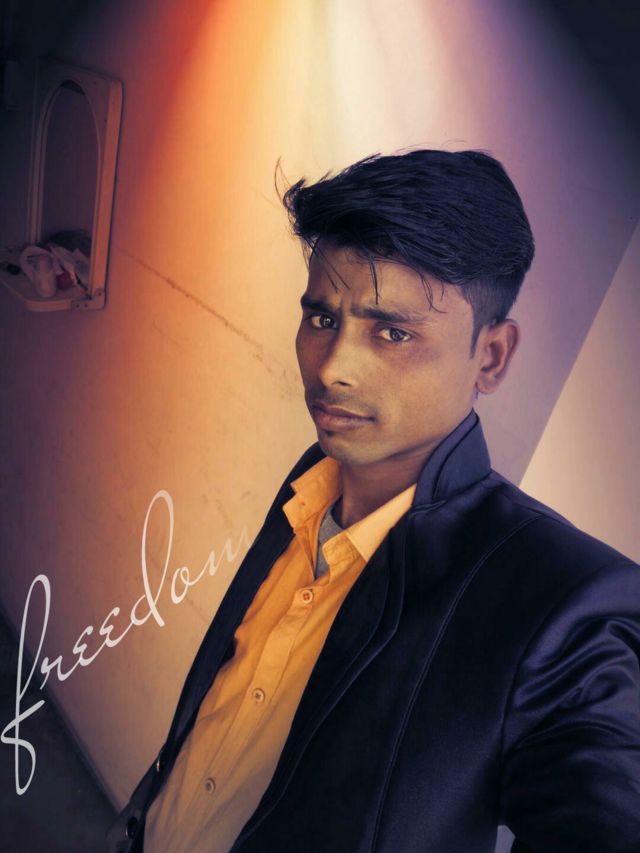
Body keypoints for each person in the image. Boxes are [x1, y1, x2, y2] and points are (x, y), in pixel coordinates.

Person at [106, 149, 640, 853]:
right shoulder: (316, 475)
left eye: (393, 333)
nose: (333, 369)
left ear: (490, 357)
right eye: (322, 319)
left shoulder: (562, 604)